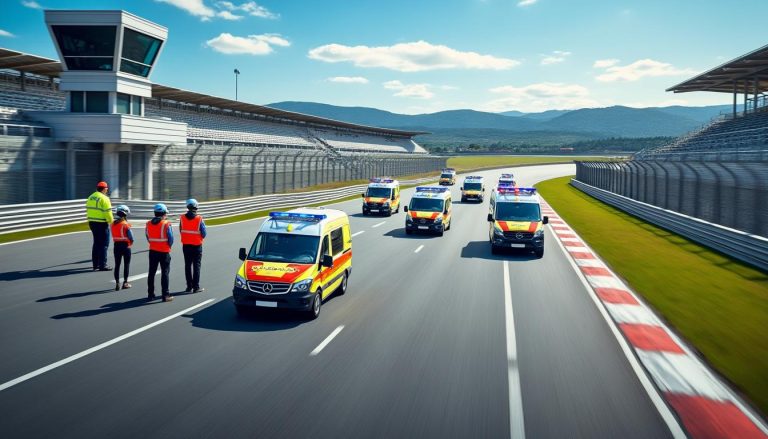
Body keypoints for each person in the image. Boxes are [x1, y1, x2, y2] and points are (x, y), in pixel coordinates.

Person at [146, 203, 174, 302]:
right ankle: (165, 295)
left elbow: (148, 237)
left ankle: (150, 294)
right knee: (165, 273)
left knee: (151, 272)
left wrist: (153, 244)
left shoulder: (148, 223)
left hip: (153, 251)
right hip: (164, 251)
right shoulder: (166, 224)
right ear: (163, 214)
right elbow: (171, 239)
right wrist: (168, 246)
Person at [179, 198, 207, 293]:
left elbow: (181, 230)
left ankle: (189, 287)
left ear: (187, 206)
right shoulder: (199, 218)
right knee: (196, 266)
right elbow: (204, 233)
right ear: (196, 207)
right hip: (196, 246)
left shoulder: (182, 218)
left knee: (187, 265)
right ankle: (196, 287)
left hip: (186, 245)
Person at [85, 181, 114, 271]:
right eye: (107, 188)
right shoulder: (104, 198)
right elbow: (108, 213)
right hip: (101, 224)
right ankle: (103, 265)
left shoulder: (91, 197)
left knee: (96, 243)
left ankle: (95, 264)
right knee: (104, 244)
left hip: (92, 223)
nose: (107, 190)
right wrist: (111, 222)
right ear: (104, 189)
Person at [111, 205, 135, 291]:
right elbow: (131, 237)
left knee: (117, 265)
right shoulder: (126, 224)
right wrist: (130, 243)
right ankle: (125, 283)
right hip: (125, 246)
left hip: (116, 246)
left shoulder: (112, 224)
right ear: (124, 213)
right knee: (126, 265)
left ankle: (117, 283)